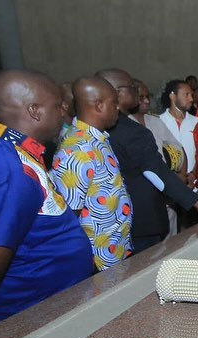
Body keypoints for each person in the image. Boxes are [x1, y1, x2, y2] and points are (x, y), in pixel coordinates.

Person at [0, 69, 92, 332]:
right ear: (35, 110)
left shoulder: (21, 154)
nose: (63, 112)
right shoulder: (9, 173)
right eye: (58, 105)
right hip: (27, 320)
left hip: (50, 307)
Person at [96, 68, 198, 252]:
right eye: (132, 87)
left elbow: (177, 151)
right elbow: (156, 170)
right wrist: (197, 202)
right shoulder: (132, 132)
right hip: (142, 220)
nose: (137, 92)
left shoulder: (88, 130)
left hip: (109, 223)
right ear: (116, 92)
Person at [50, 77, 133, 271]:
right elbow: (70, 216)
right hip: (96, 261)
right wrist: (86, 264)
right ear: (98, 105)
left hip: (115, 252)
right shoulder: (77, 149)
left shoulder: (97, 139)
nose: (118, 108)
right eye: (114, 103)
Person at [129, 79, 187, 237]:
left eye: (148, 96)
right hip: (143, 198)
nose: (147, 101)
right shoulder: (123, 126)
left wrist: (181, 176)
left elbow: (178, 149)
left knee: (172, 240)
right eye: (141, 97)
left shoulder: (155, 121)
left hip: (168, 192)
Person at [159, 79, 197, 189]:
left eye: (191, 95)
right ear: (173, 96)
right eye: (186, 95)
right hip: (168, 185)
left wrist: (193, 175)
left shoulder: (197, 122)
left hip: (194, 184)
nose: (191, 99)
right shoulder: (159, 122)